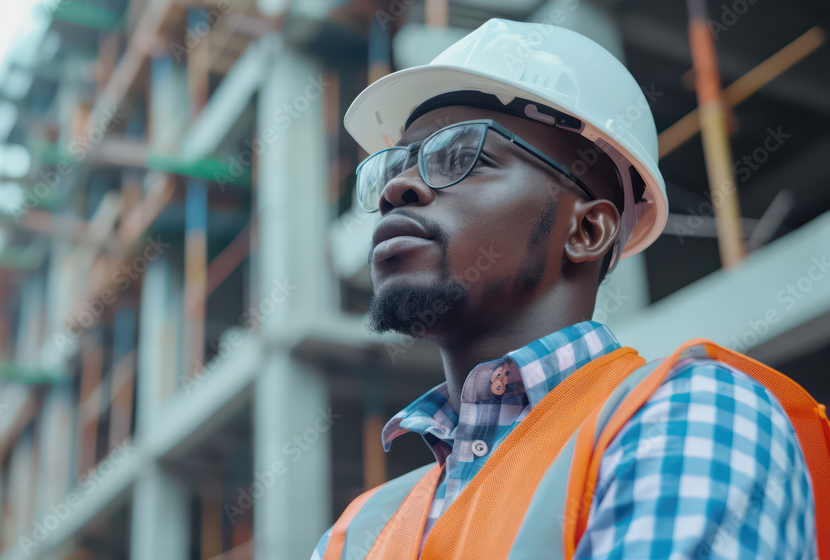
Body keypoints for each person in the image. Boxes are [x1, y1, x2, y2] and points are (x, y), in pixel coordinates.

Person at [310, 18, 826, 560]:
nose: (396, 188)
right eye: (394, 164)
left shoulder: (691, 421)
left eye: (463, 156)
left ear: (587, 231)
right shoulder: (357, 533)